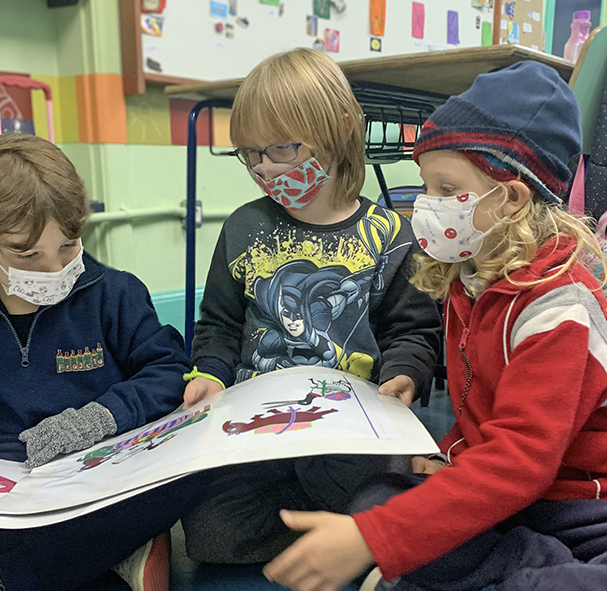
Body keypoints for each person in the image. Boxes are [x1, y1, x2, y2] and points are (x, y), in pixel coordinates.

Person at [262, 62, 607, 591]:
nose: (426, 205)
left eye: (447, 188)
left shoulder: (558, 308)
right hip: (517, 508)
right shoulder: (471, 278)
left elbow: (519, 460)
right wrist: (445, 462)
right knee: (376, 497)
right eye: (427, 185)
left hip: (599, 503)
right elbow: (484, 417)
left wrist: (376, 539)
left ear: (511, 198)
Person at [0, 133, 206, 591]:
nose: (55, 269)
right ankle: (110, 551)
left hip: (103, 472)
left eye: (68, 246)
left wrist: (98, 419)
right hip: (1, 483)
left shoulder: (114, 294)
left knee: (191, 478)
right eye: (27, 254)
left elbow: (167, 371)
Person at [180, 48, 441, 564]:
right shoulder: (243, 227)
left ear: (341, 130)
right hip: (259, 432)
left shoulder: (393, 236)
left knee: (386, 505)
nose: (264, 167)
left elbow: (413, 330)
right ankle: (328, 531)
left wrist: (404, 372)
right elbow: (220, 323)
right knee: (208, 535)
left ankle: (340, 527)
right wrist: (209, 372)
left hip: (350, 432)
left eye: (281, 149)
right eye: (250, 154)